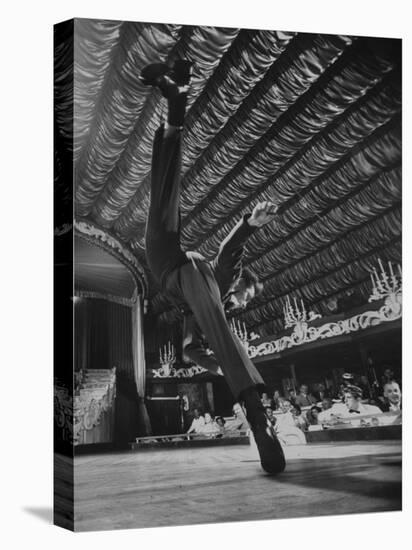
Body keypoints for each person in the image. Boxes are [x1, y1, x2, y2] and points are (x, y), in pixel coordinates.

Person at [142, 59, 285, 474]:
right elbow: (229, 254)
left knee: (162, 191)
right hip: (189, 267)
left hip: (165, 264)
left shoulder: (209, 304)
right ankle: (260, 421)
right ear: (241, 285)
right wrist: (247, 223)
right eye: (246, 293)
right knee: (221, 323)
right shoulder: (221, 283)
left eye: (243, 298)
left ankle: (174, 100)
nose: (242, 301)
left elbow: (188, 348)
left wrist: (216, 363)